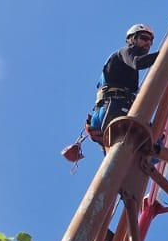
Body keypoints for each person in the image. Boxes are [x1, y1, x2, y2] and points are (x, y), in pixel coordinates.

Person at [62, 24, 158, 162]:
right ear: (131, 39)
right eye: (144, 38)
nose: (148, 43)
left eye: (151, 40)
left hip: (104, 114)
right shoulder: (124, 53)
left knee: (131, 160)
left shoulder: (123, 70)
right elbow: (138, 63)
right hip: (114, 108)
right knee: (150, 147)